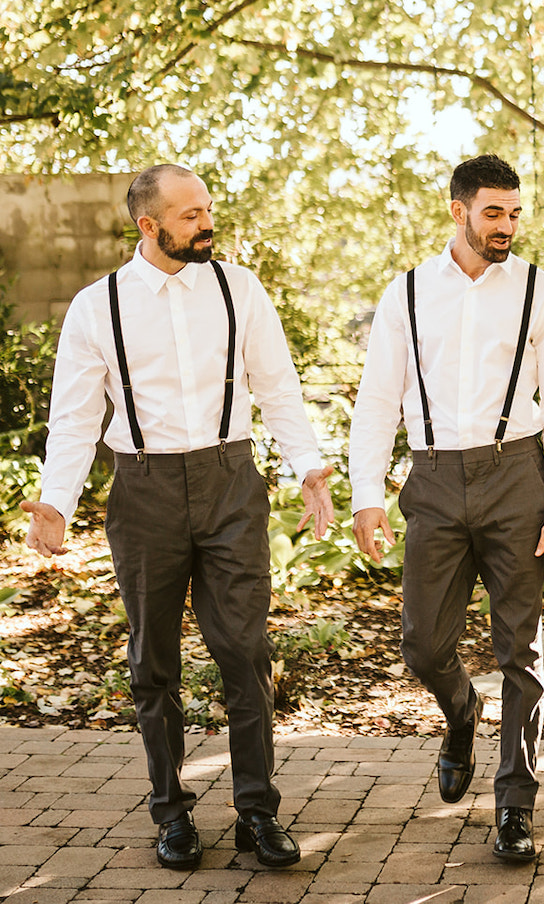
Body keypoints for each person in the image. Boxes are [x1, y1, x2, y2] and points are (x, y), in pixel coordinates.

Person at [22, 164, 334, 871]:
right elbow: (73, 420)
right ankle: (172, 815)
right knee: (151, 662)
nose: (206, 223)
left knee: (245, 652)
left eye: (207, 210)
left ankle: (258, 811)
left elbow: (278, 387)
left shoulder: (238, 288)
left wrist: (306, 463)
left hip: (230, 484)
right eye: (190, 214)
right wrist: (56, 504)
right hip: (144, 492)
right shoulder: (96, 306)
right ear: (149, 225)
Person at [348, 154, 544, 864]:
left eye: (514, 213)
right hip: (434, 479)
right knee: (421, 642)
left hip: (517, 476)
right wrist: (366, 493)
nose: (507, 226)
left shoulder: (542, 292)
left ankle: (514, 805)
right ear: (458, 210)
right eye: (493, 213)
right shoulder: (409, 294)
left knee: (522, 652)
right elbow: (376, 401)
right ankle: (460, 714)